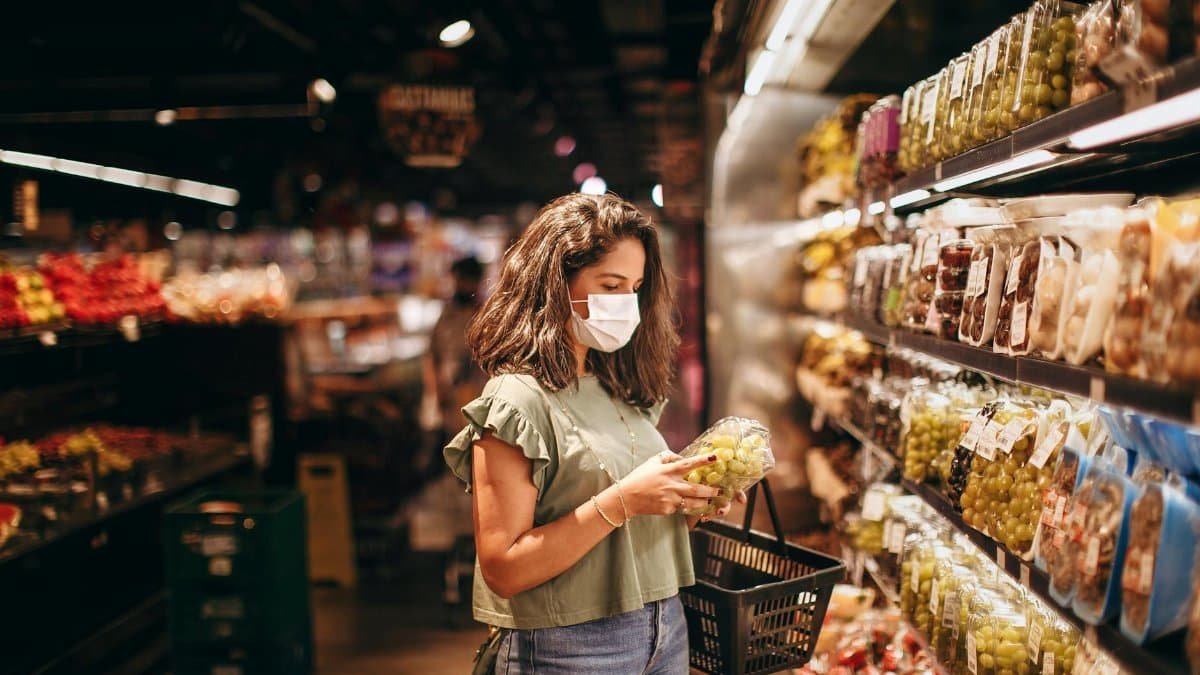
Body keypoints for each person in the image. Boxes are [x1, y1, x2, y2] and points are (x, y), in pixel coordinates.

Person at [444, 193, 743, 674]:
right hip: (570, 646)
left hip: (665, 627)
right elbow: (504, 568)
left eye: (635, 287)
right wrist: (625, 500)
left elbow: (622, 538)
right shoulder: (517, 400)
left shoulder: (616, 388)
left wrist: (685, 505)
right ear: (556, 284)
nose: (627, 303)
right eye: (611, 284)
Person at [420, 255, 489, 473]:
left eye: (465, 279)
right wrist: (434, 388)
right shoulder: (447, 315)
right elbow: (432, 355)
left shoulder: (487, 314)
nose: (460, 285)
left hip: (479, 396)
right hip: (449, 397)